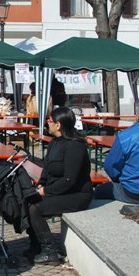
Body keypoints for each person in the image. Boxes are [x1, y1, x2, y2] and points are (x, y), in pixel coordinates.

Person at [25, 107, 92, 265]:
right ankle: (36, 244)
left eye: (50, 120)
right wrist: (41, 185)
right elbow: (47, 169)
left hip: (77, 194)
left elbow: (70, 179)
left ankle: (51, 252)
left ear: (58, 125)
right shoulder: (55, 142)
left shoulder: (75, 145)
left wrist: (46, 191)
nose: (47, 122)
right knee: (27, 200)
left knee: (35, 208)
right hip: (58, 190)